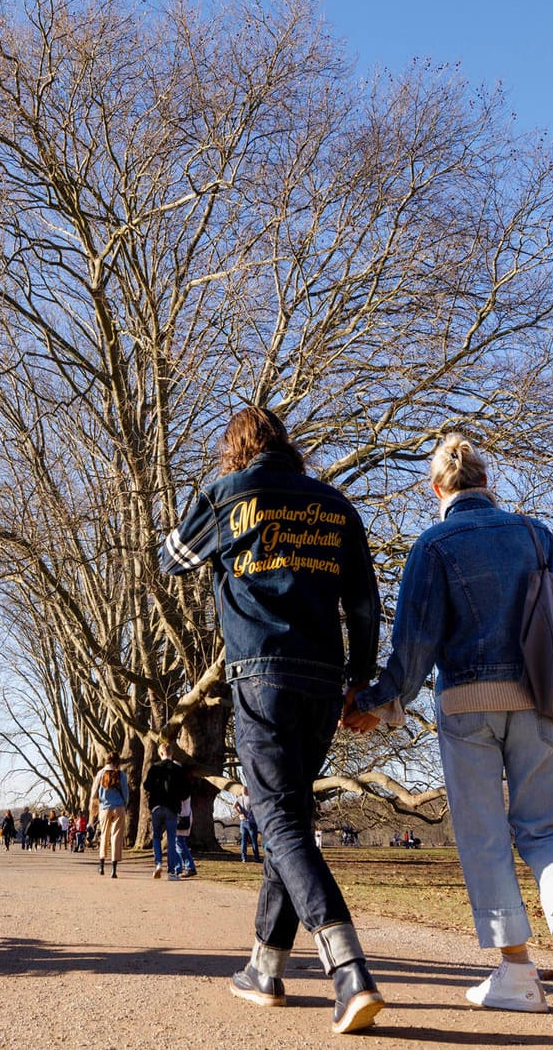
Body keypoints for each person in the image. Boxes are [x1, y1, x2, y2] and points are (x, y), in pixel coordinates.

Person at [351, 433, 553, 1021]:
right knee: (544, 830)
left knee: (484, 837)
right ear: (488, 484)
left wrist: (379, 701)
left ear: (437, 489)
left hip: (468, 705)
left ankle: (518, 972)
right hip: (540, 701)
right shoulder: (538, 536)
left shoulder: (434, 544)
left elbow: (416, 645)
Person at [158, 405, 384, 1034]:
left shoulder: (228, 494)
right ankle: (264, 966)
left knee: (279, 819)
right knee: (289, 815)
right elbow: (363, 603)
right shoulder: (336, 506)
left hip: (261, 672)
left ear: (237, 448)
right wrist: (359, 682)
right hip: (321, 678)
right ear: (288, 446)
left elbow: (170, 559)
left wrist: (207, 501)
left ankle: (349, 970)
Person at [144, 742, 193, 880]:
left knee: (156, 837)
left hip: (156, 806)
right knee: (171, 839)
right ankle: (172, 871)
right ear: (172, 753)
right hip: (172, 807)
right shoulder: (178, 769)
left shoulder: (154, 768)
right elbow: (186, 791)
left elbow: (147, 786)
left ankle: (158, 863)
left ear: (160, 753)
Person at [89, 755, 131, 878]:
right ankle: (114, 869)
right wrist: (124, 804)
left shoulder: (100, 774)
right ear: (117, 762)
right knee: (116, 837)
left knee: (104, 835)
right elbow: (126, 792)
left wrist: (95, 808)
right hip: (119, 807)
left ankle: (101, 866)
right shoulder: (121, 775)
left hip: (105, 808)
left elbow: (94, 793)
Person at [235, 789, 261, 863]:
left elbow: (234, 806)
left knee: (243, 841)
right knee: (254, 841)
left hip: (243, 822)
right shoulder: (252, 798)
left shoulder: (239, 799)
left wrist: (240, 813)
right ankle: (256, 858)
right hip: (252, 822)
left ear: (242, 791)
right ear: (247, 791)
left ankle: (244, 858)